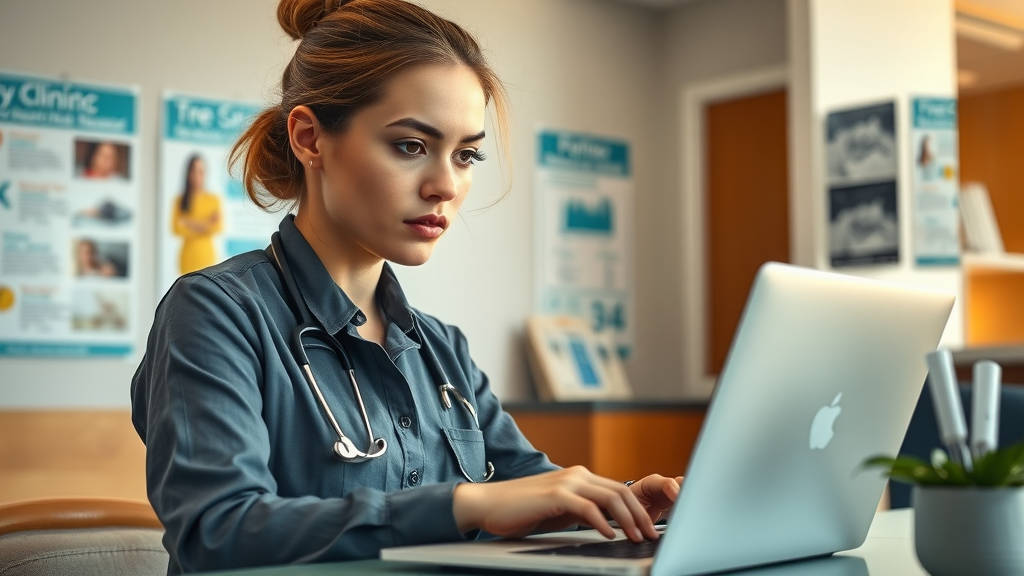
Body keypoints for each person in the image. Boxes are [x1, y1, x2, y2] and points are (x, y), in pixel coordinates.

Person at [131, 0, 682, 573]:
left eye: (466, 154)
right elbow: (217, 533)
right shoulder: (215, 312)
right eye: (411, 146)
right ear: (309, 138)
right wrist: (466, 504)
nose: (446, 185)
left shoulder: (442, 350)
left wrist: (623, 502)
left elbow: (533, 490)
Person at [171, 155, 223, 274]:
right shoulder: (180, 201)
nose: (197, 175)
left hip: (207, 257)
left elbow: (217, 227)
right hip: (187, 257)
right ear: (188, 173)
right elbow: (177, 229)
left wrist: (188, 222)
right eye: (194, 170)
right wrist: (206, 224)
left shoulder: (213, 200)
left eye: (201, 171)